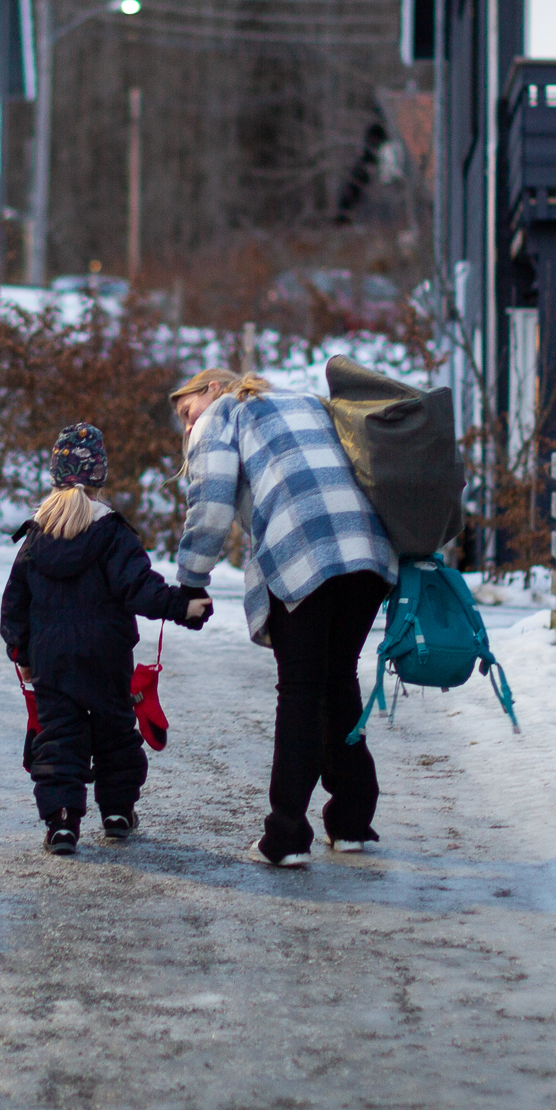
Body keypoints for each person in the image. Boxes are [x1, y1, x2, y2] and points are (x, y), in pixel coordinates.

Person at [169, 368, 397, 868]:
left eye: (187, 413)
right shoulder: (308, 402)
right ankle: (353, 822)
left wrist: (191, 581)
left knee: (299, 689)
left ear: (212, 389)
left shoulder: (225, 414)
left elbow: (210, 506)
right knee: (336, 679)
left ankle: (287, 836)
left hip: (304, 547)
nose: (188, 429)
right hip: (371, 551)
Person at [0, 422, 210, 856]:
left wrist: (21, 653)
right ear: (99, 476)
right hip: (107, 656)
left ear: (55, 474)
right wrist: (182, 607)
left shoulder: (35, 539)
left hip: (52, 660)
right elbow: (139, 587)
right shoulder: (112, 532)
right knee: (115, 732)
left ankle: (61, 823)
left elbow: (14, 606)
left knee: (58, 736)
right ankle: (116, 811)